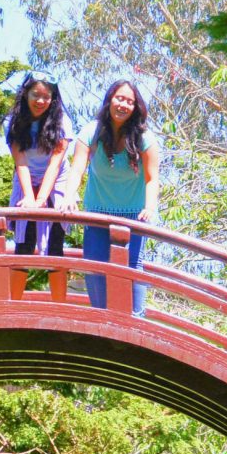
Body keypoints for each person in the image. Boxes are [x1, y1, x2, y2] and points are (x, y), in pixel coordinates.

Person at [60, 78, 160, 316]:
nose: (123, 105)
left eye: (130, 101)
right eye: (119, 98)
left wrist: (150, 207)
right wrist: (69, 194)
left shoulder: (145, 138)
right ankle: (102, 319)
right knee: (94, 264)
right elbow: (77, 168)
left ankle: (137, 320)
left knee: (132, 266)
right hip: (98, 212)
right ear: (109, 100)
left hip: (132, 215)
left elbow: (152, 178)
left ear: (136, 107)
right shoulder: (92, 131)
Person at [5, 73, 72, 256]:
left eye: (46, 97)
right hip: (26, 176)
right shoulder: (12, 122)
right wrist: (29, 198)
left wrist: (41, 199)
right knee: (24, 242)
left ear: (53, 98)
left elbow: (54, 165)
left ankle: (58, 285)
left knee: (55, 245)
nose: (40, 101)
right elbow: (21, 163)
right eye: (36, 95)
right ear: (26, 94)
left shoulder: (62, 122)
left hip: (56, 177)